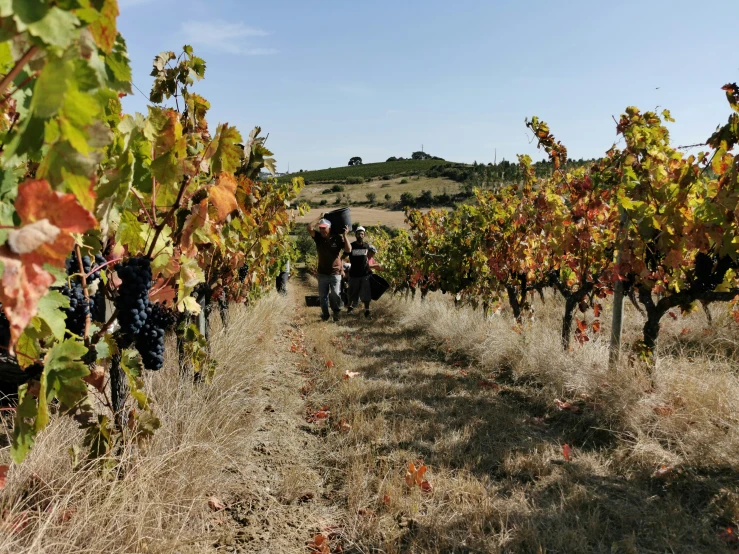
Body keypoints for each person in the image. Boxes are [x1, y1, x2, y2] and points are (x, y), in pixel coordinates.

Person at [308, 215, 351, 321]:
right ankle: (325, 315)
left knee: (335, 294)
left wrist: (345, 236)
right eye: (320, 228)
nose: (322, 230)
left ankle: (336, 312)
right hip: (322, 273)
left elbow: (348, 250)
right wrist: (319, 217)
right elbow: (309, 228)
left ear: (329, 229)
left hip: (335, 272)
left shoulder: (337, 238)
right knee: (323, 297)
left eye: (324, 228)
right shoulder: (318, 238)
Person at [345, 226, 378, 318]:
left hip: (365, 275)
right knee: (352, 293)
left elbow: (367, 260)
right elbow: (343, 257)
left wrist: (370, 269)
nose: (360, 235)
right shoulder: (351, 246)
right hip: (354, 274)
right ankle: (349, 309)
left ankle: (367, 312)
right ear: (355, 235)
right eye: (359, 233)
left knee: (366, 294)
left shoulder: (367, 246)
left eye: (362, 234)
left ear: (364, 235)